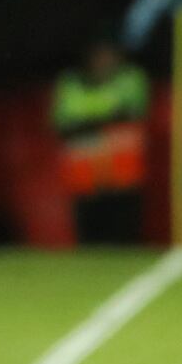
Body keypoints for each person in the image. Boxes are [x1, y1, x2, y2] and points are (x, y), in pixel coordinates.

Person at [52, 33, 150, 245]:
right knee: (89, 234)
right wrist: (103, 118)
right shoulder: (71, 83)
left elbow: (131, 113)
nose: (103, 60)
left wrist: (87, 121)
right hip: (85, 176)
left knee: (124, 232)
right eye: (98, 55)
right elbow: (62, 123)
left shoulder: (130, 78)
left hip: (121, 174)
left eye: (108, 54)